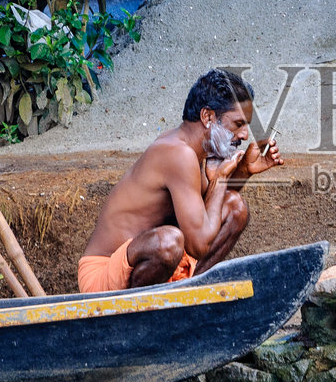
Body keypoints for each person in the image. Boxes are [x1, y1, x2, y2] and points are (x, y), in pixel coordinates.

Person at [77, 69, 283, 293]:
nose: (245, 135)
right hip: (102, 276)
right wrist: (221, 178)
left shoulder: (195, 149)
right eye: (238, 124)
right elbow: (199, 244)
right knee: (169, 242)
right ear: (208, 117)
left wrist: (244, 171)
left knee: (235, 207)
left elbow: (207, 213)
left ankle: (184, 297)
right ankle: (140, 318)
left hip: (144, 264)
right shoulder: (179, 154)